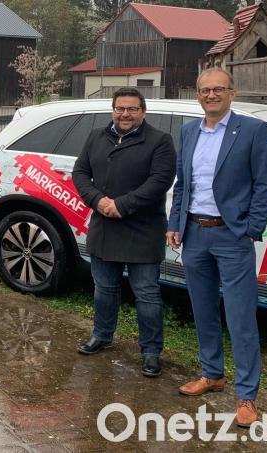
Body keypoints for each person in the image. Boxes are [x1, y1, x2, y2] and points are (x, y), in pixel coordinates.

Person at [167, 68, 267, 428]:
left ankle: (246, 396)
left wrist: (250, 230)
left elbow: (264, 184)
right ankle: (212, 374)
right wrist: (175, 223)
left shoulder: (253, 130)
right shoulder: (189, 131)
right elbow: (183, 183)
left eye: (218, 89)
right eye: (205, 90)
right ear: (197, 94)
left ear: (232, 92)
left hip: (232, 236)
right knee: (203, 310)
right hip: (194, 233)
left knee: (241, 316)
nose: (211, 95)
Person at [72, 87, 176, 377]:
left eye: (132, 109)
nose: (125, 114)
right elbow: (80, 173)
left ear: (143, 112)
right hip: (104, 226)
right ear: (113, 110)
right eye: (120, 108)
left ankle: (151, 351)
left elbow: (160, 181)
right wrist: (98, 201)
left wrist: (121, 205)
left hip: (142, 229)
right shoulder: (96, 136)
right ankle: (102, 335)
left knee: (146, 294)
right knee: (104, 289)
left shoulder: (160, 141)